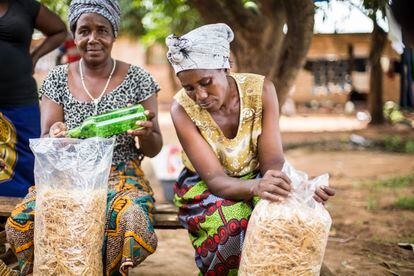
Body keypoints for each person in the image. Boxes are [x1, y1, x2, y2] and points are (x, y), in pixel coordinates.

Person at [6, 0, 163, 275]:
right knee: (23, 220)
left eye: (102, 30)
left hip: (122, 176)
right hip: (68, 177)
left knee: (129, 218)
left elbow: (154, 149)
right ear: (74, 35)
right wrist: (57, 137)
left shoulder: (140, 79)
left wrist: (147, 134)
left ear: (114, 33)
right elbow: (47, 137)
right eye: (84, 30)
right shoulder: (57, 78)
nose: (93, 39)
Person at [166, 23, 335, 275]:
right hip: (203, 184)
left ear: (226, 66)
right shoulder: (181, 109)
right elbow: (215, 179)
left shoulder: (261, 90)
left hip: (258, 174)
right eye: (189, 88)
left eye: (206, 82)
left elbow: (273, 161)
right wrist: (257, 187)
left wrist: (296, 190)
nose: (199, 96)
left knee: (285, 216)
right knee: (235, 221)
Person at [0, 0, 66, 197]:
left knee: (28, 161)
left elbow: (59, 30)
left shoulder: (26, 6)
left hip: (21, 100)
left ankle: (22, 220)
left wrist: (35, 56)